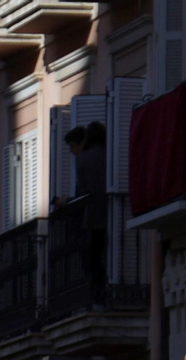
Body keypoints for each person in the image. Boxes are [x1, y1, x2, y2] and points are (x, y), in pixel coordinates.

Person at [67, 122, 109, 303]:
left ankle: (97, 297)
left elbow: (82, 192)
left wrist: (65, 203)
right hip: (110, 215)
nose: (71, 151)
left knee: (92, 260)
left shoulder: (84, 159)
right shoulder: (111, 153)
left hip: (92, 218)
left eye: (72, 146)